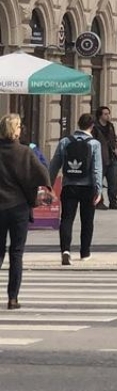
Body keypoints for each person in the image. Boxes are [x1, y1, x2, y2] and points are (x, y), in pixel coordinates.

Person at [0, 113, 51, 309]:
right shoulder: (24, 152)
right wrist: (45, 190)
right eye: (19, 126)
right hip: (18, 207)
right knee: (16, 252)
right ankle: (13, 298)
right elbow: (42, 172)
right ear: (15, 130)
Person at [49, 113, 104, 265]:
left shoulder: (65, 141)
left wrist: (49, 185)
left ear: (78, 124)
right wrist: (98, 190)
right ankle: (85, 252)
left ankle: (65, 250)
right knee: (87, 220)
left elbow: (54, 165)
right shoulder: (94, 144)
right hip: (88, 187)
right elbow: (97, 169)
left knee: (67, 219)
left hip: (69, 186)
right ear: (92, 126)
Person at [91, 106, 117, 209]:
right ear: (100, 115)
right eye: (105, 114)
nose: (108, 116)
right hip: (100, 158)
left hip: (112, 157)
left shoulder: (110, 126)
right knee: (98, 182)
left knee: (113, 182)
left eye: (108, 113)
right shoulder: (95, 127)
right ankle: (99, 202)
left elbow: (113, 139)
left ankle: (113, 202)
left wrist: (116, 149)